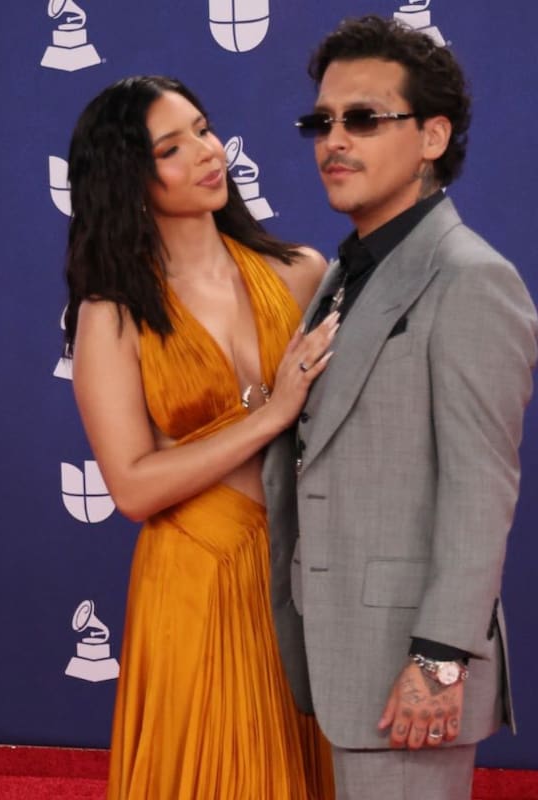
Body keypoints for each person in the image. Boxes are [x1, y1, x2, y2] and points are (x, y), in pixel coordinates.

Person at [263, 15, 538, 799]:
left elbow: (482, 490)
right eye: (322, 121)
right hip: (341, 656)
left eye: (364, 118)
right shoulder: (347, 267)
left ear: (431, 136)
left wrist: (439, 658)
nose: (333, 140)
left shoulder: (471, 279)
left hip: (410, 676)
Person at [65, 75, 338, 799]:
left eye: (204, 129)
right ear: (130, 176)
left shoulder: (302, 272)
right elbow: (130, 486)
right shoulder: (111, 316)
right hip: (197, 581)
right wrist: (272, 413)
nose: (208, 152)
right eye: (172, 146)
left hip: (306, 575)